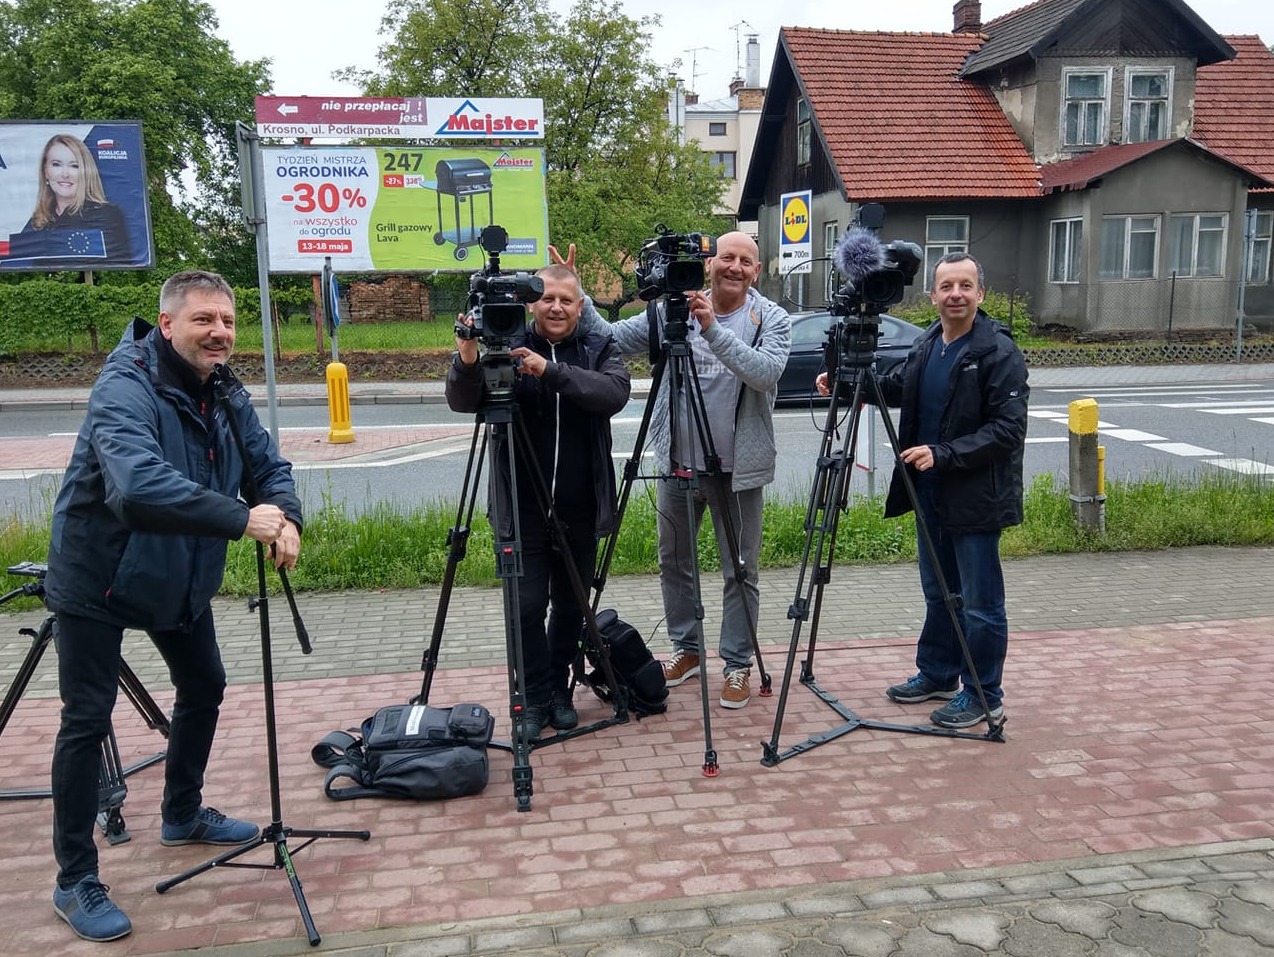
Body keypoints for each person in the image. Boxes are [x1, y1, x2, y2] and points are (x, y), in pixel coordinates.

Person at [43, 270, 302, 942]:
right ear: (166, 325)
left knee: (206, 684)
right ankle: (74, 877)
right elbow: (136, 485)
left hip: (179, 570)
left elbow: (268, 466)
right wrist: (243, 519)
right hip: (98, 573)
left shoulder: (224, 387)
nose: (219, 332)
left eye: (228, 321)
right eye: (203, 320)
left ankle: (181, 812)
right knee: (87, 718)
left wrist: (289, 517)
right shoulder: (125, 383)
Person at [565, 231, 791, 710]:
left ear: (757, 271)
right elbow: (608, 336)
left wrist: (711, 329)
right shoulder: (673, 308)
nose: (734, 267)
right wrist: (576, 292)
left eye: (745, 261)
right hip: (676, 462)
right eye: (726, 257)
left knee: (741, 570)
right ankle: (687, 650)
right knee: (675, 562)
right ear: (709, 264)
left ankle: (736, 664)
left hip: (740, 470)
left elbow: (764, 372)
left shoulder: (771, 318)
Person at [821, 252, 1027, 728]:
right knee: (940, 592)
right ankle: (938, 673)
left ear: (980, 293)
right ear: (932, 295)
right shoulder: (929, 343)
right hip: (928, 491)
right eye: (947, 286)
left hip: (976, 497)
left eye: (965, 286)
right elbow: (900, 389)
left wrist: (944, 453)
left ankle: (984, 695)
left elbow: (1008, 430)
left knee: (980, 604)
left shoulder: (998, 350)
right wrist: (850, 383)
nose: (956, 294)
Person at [445, 264, 631, 741]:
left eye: (566, 300)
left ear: (580, 306)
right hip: (521, 508)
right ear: (532, 302)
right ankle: (530, 697)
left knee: (570, 608)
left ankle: (559, 694)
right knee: (525, 607)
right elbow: (464, 401)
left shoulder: (598, 348)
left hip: (580, 506)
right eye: (547, 298)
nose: (556, 307)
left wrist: (548, 370)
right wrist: (468, 356)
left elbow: (612, 393)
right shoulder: (503, 339)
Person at [22, 133, 132, 263]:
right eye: (56, 164)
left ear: (86, 173)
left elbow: (118, 263)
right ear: (45, 171)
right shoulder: (36, 222)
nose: (65, 174)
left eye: (74, 166)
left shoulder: (107, 215)